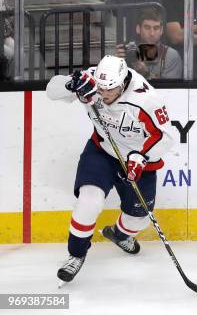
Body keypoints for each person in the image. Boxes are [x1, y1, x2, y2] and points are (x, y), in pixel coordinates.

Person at [45, 55, 175, 283]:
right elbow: (51, 90)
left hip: (138, 159)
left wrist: (140, 156)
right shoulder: (91, 81)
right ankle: (76, 255)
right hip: (102, 150)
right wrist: (69, 85)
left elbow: (165, 137)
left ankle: (119, 234)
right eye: (101, 89)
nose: (103, 96)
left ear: (123, 83)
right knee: (89, 200)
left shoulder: (145, 99)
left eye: (110, 90)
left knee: (139, 219)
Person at [116, 7, 182, 79]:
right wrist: (116, 64)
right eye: (147, 28)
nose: (152, 33)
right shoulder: (129, 52)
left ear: (161, 30)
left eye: (156, 28)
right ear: (138, 29)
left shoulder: (170, 56)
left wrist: (146, 74)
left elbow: (170, 89)